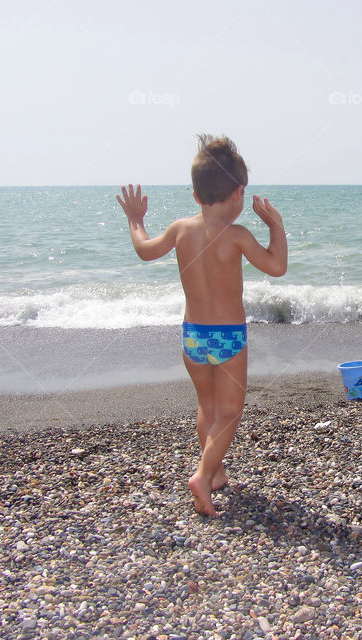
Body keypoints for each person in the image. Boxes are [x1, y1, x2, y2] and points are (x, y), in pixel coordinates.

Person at [116, 135, 287, 516]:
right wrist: (276, 225)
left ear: (196, 195)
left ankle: (217, 473)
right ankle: (202, 475)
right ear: (239, 193)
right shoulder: (238, 236)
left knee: (208, 406)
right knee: (230, 412)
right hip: (229, 338)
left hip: (193, 337)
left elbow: (144, 250)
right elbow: (277, 266)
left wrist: (135, 219)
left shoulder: (181, 230)